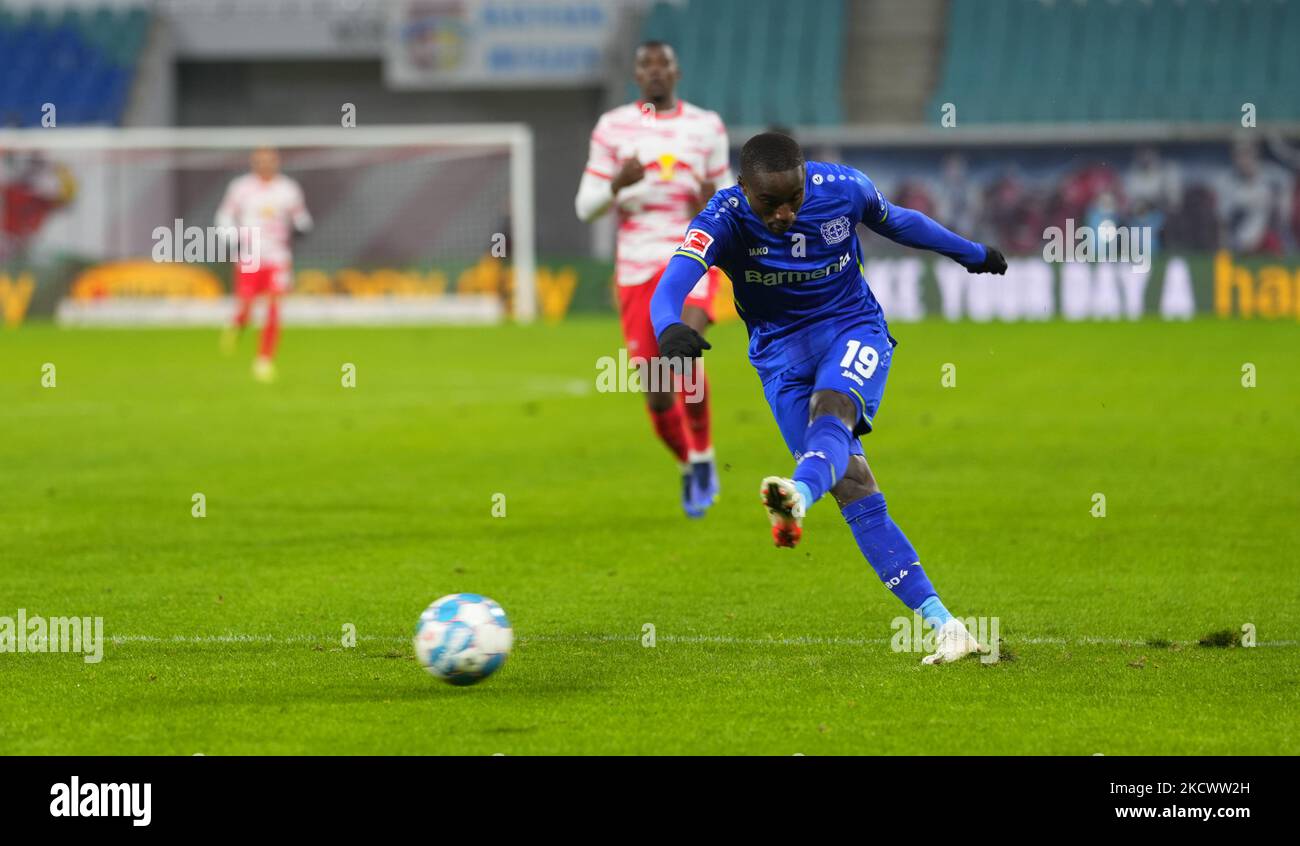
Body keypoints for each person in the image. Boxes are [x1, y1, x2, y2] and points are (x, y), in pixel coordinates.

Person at [650, 133, 1007, 664]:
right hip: (780, 360)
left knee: (833, 413)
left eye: (794, 198)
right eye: (770, 203)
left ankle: (796, 493)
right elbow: (672, 282)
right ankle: (946, 625)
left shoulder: (844, 188)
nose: (786, 213)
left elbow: (903, 221)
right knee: (853, 482)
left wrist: (972, 253)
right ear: (743, 187)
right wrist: (668, 328)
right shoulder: (722, 217)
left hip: (852, 328)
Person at [575, 41, 732, 517]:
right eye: (647, 65)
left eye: (664, 63)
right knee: (658, 388)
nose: (656, 72)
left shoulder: (706, 127)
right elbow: (585, 208)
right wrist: (616, 184)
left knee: (682, 346)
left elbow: (729, 199)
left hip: (692, 255)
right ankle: (689, 462)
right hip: (637, 267)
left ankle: (703, 454)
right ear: (637, 75)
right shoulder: (613, 128)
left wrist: (712, 199)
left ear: (677, 72)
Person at [217, 147, 312, 382]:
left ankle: (264, 360)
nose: (265, 165)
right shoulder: (240, 188)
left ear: (277, 162)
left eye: (270, 161)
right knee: (247, 304)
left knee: (273, 308)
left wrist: (302, 226)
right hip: (250, 256)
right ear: (253, 162)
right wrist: (230, 235)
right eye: (261, 161)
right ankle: (238, 324)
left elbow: (300, 216)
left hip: (277, 257)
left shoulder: (287, 189)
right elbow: (225, 215)